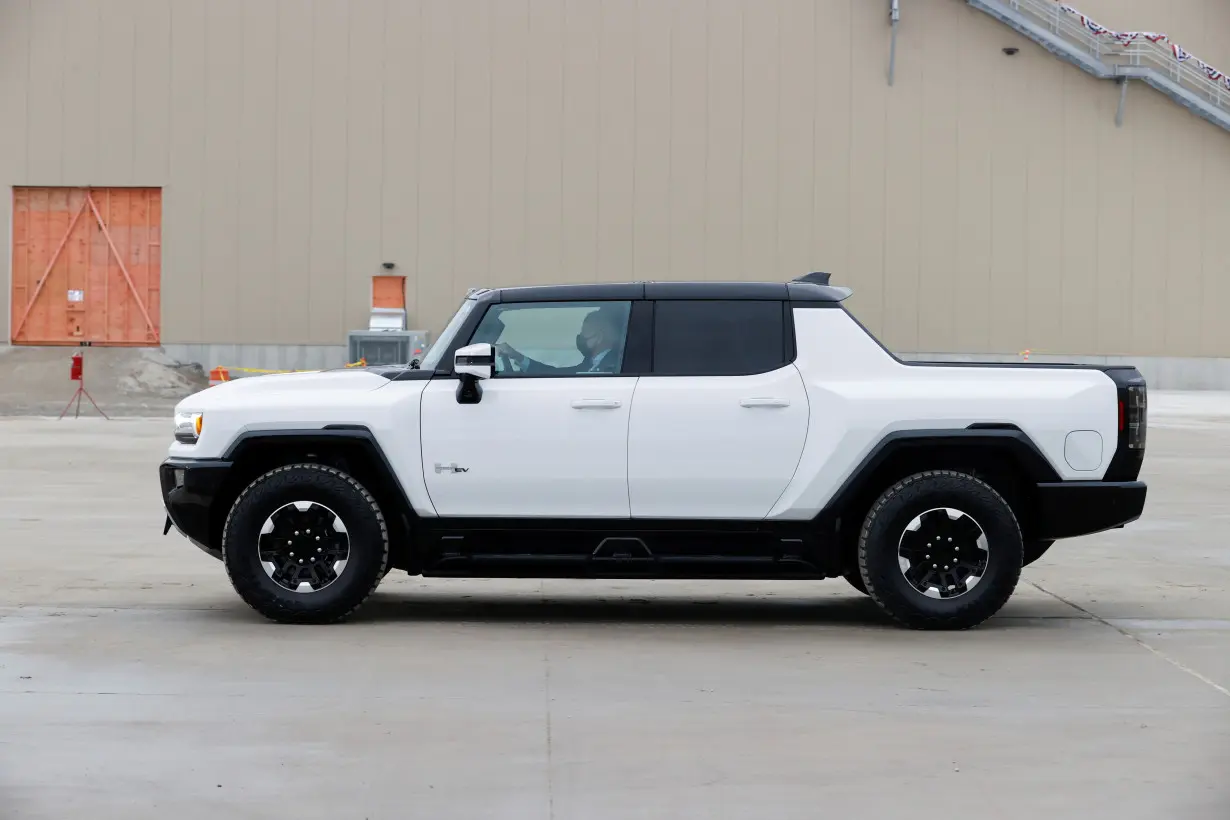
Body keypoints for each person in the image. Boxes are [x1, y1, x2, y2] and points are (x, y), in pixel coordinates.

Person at [495, 308, 624, 375]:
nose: (579, 338)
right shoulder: (590, 363)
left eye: (584, 333)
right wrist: (518, 357)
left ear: (599, 337)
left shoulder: (616, 365)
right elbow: (554, 374)